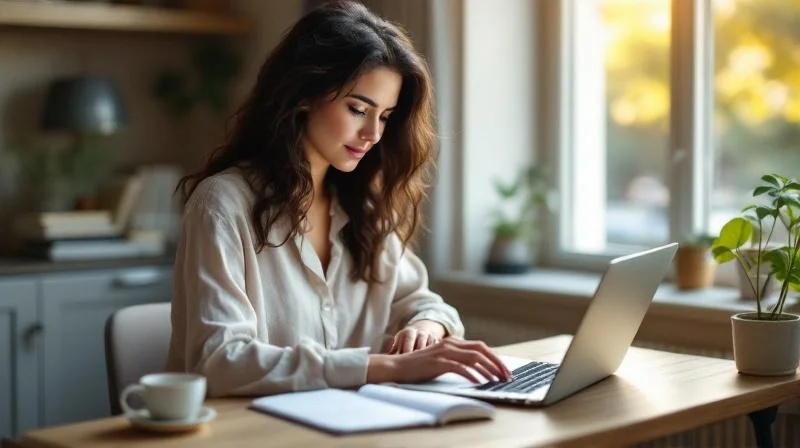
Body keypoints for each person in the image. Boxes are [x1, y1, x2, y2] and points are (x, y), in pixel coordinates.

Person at [166, 0, 511, 397]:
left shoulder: (362, 209)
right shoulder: (223, 205)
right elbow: (220, 361)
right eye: (357, 109)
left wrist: (426, 327)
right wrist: (387, 366)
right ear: (303, 95)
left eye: (384, 116)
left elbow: (421, 300)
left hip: (347, 427)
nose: (373, 134)